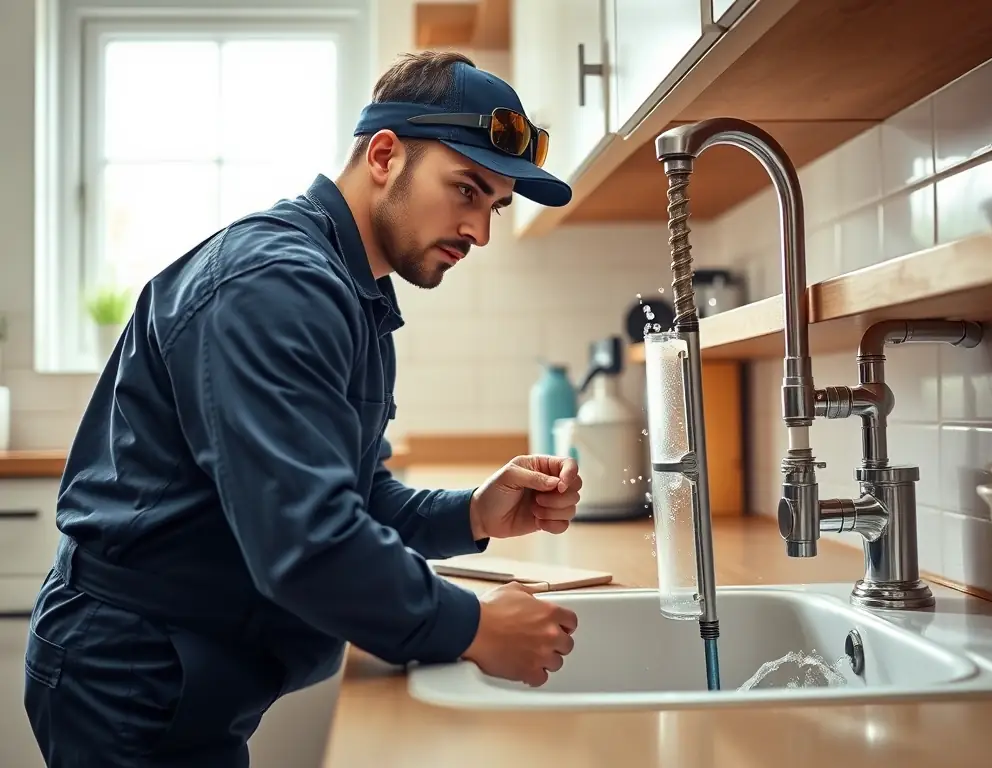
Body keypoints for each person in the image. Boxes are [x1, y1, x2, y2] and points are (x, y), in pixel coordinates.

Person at [23, 50, 583, 767]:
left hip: (189, 664)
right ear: (385, 154)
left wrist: (471, 511)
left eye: (495, 206)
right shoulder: (278, 284)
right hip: (132, 676)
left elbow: (350, 494)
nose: (479, 231)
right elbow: (306, 541)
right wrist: (474, 626)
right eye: (466, 190)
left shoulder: (351, 290)